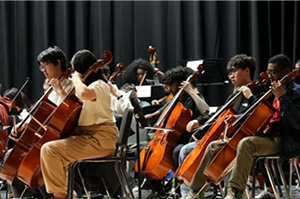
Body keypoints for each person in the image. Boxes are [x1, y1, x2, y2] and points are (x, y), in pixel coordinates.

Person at [186, 54, 300, 199]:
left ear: (286, 72)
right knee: (214, 146)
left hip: (283, 140)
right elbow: (261, 115)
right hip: (264, 136)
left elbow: (297, 123)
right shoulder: (269, 90)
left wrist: (282, 97)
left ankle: (234, 192)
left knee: (246, 143)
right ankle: (195, 192)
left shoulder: (295, 92)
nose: (269, 76)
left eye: (273, 72)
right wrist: (238, 117)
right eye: (268, 71)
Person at [178, 54, 264, 199]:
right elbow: (218, 113)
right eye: (229, 73)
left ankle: (228, 191)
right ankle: (192, 192)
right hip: (228, 138)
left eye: (234, 71)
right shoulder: (234, 95)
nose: (231, 76)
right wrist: (199, 121)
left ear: (247, 71)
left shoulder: (259, 92)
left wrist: (249, 98)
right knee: (186, 149)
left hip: (246, 140)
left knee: (212, 147)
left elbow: (259, 115)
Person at [40, 49, 119, 199]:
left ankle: (61, 196)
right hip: (88, 138)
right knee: (52, 150)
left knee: (50, 150)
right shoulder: (88, 87)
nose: (71, 74)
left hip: (101, 140)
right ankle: (69, 194)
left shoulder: (100, 85)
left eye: (74, 69)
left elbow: (83, 94)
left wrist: (76, 77)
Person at [140, 66, 209, 197]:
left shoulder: (193, 98)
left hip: (188, 139)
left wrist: (191, 91)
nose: (170, 89)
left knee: (177, 152)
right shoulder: (175, 100)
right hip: (170, 140)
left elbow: (205, 110)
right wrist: (139, 116)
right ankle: (161, 190)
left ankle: (180, 189)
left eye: (172, 85)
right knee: (145, 156)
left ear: (182, 83)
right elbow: (156, 114)